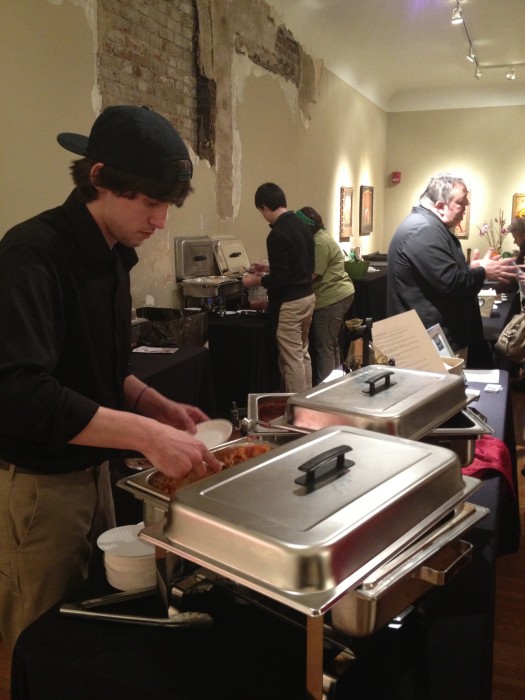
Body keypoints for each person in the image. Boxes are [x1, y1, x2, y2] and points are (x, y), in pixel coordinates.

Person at [0, 105, 223, 650]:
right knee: (40, 639)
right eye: (149, 202)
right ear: (99, 178)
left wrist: (151, 403)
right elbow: (21, 394)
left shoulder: (114, 255)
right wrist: (148, 436)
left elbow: (99, 366)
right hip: (40, 484)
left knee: (86, 630)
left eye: (167, 206)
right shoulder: (31, 254)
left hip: (92, 467)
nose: (160, 221)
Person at [387, 172, 517, 362]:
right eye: (461, 203)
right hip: (429, 340)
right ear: (440, 206)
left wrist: (471, 270)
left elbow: (440, 277)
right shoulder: (424, 229)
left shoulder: (426, 225)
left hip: (431, 335)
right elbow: (450, 283)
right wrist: (483, 272)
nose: (466, 207)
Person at [242, 183, 315, 392]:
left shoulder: (277, 234)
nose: (263, 216)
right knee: (302, 353)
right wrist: (268, 267)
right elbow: (302, 264)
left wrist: (254, 280)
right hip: (308, 297)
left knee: (291, 359)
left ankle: (297, 407)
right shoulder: (303, 225)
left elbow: (279, 280)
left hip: (290, 303)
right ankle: (308, 400)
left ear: (265, 207)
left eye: (261, 211)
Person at [296, 206, 355, 384]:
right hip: (340, 294)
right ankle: (336, 384)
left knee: (324, 346)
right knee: (332, 343)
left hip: (331, 298)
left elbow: (312, 274)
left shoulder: (319, 242)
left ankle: (325, 388)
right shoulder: (322, 236)